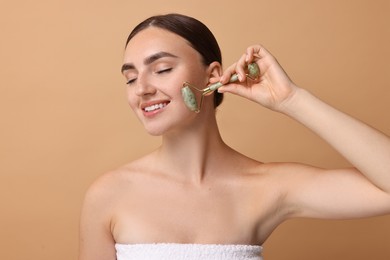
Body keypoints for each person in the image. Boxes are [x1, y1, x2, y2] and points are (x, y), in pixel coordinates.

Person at [79, 13, 390, 260]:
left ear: (212, 76)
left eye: (161, 69)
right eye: (130, 78)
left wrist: (292, 100)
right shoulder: (109, 195)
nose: (142, 88)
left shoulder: (268, 186)